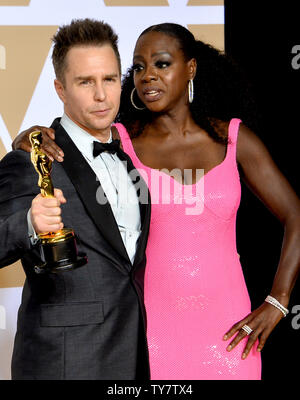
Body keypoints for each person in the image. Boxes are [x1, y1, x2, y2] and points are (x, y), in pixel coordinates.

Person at [13, 23, 300, 380]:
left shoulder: (234, 139)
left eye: (161, 64)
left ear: (190, 68)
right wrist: (32, 136)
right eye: (139, 67)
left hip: (229, 330)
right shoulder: (118, 140)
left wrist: (278, 299)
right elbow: (69, 140)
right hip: (151, 333)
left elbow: (295, 214)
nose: (148, 76)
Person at [0, 19, 151, 380]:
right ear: (60, 88)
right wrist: (28, 225)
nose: (101, 95)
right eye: (85, 82)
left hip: (134, 360)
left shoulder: (132, 156)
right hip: (65, 363)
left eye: (109, 79)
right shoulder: (30, 161)